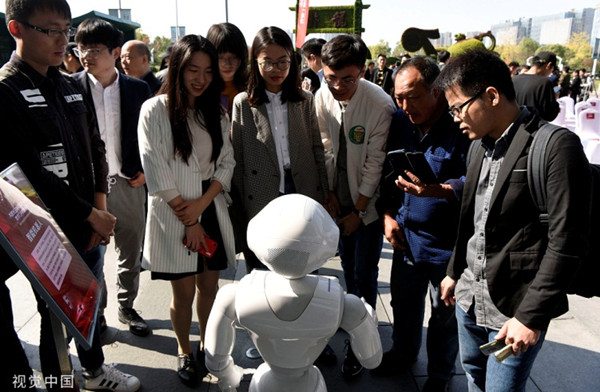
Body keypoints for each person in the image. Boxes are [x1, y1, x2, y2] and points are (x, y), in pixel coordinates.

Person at [0, 0, 140, 391]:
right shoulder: (6, 90)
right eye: (51, 30)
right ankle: (62, 382)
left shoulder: (69, 83)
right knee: (54, 315)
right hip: (41, 232)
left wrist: (100, 210)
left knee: (85, 307)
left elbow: (96, 147)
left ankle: (94, 372)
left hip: (88, 224)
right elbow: (27, 173)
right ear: (17, 29)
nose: (64, 40)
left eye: (67, 29)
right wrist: (87, 215)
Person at [436, 49, 591, 392]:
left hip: (514, 309)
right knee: (474, 378)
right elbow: (471, 222)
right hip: (468, 298)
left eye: (458, 107)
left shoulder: (555, 146)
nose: (455, 118)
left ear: (491, 96)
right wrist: (453, 272)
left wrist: (531, 317)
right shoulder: (478, 146)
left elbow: (567, 241)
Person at [204, 194, 382, 392]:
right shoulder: (346, 305)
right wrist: (367, 320)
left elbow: (215, 360)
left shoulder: (233, 295)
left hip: (264, 384)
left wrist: (230, 377)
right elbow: (372, 360)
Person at [137, 34, 236, 387]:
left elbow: (226, 163)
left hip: (207, 208)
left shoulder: (217, 112)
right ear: (176, 68)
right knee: (183, 293)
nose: (201, 78)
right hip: (174, 214)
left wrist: (202, 206)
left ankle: (207, 347)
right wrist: (188, 216)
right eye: (193, 69)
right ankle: (183, 349)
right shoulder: (155, 110)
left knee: (210, 287)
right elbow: (155, 168)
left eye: (208, 71)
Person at [373, 56, 468, 391]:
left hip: (447, 246)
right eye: (399, 97)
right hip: (406, 239)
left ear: (437, 91)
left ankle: (441, 375)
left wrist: (440, 190)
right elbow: (387, 175)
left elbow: (477, 180)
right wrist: (386, 215)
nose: (404, 105)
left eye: (412, 96)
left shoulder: (461, 126)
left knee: (444, 316)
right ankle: (402, 352)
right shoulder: (400, 122)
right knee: (404, 303)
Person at [314, 34, 395, 378]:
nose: (337, 86)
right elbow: (324, 147)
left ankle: (362, 342)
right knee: (348, 267)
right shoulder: (322, 96)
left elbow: (374, 164)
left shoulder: (379, 104)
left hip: (368, 206)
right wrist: (330, 195)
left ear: (363, 71)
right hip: (337, 200)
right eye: (330, 78)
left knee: (365, 272)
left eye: (347, 79)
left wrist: (359, 212)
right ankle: (353, 324)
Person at [72, 18, 152, 337]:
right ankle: (99, 312)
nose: (86, 55)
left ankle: (126, 305)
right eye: (81, 49)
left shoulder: (137, 89)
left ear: (115, 52)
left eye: (94, 49)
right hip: (87, 191)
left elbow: (151, 136)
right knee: (91, 254)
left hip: (128, 181)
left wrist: (146, 170)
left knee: (130, 251)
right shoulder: (70, 87)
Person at [230, 26, 329, 273]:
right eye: (268, 63)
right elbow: (238, 158)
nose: (276, 70)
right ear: (256, 63)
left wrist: (325, 194)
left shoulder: (305, 100)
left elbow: (317, 149)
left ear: (292, 61)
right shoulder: (243, 102)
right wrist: (241, 206)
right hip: (261, 195)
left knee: (305, 266)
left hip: (301, 190)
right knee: (265, 269)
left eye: (283, 62)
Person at [206, 22, 248, 117]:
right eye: (220, 57)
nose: (227, 63)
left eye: (233, 57)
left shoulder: (251, 88)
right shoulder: (202, 88)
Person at [511, 51, 559, 121]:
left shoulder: (514, 79)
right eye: (552, 69)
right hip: (532, 129)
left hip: (512, 126)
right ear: (549, 65)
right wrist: (555, 100)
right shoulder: (544, 83)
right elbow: (549, 115)